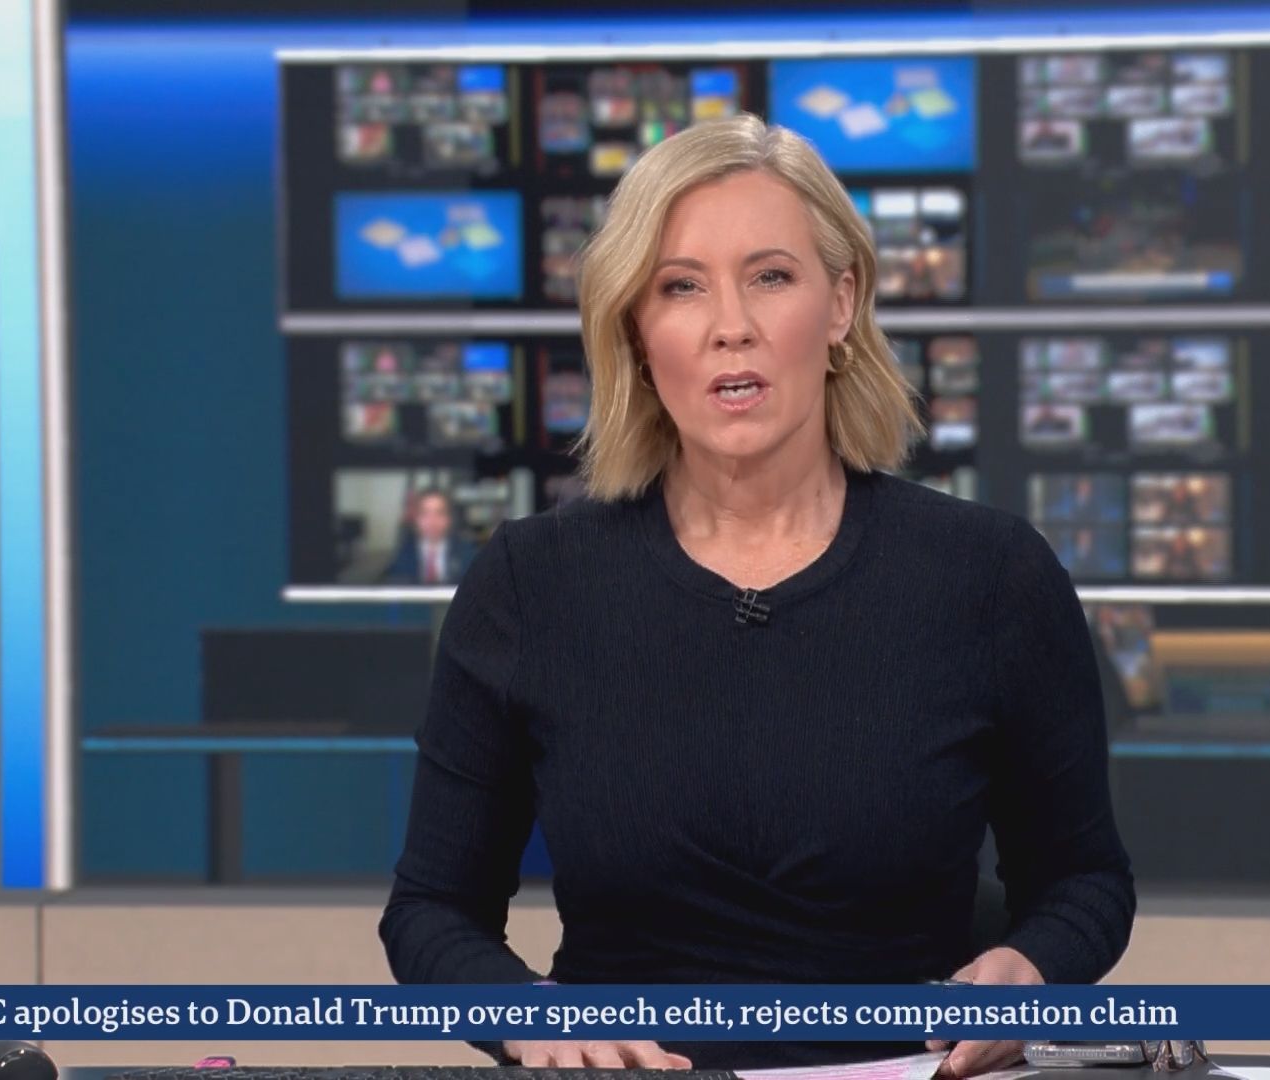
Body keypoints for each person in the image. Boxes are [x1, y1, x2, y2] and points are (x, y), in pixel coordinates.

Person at [379, 115, 1135, 1075]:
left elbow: (1084, 882)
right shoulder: (533, 583)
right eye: (681, 286)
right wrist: (533, 1019)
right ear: (637, 330)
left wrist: (1032, 972)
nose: (729, 324)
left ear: (840, 303)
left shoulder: (990, 574)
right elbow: (431, 911)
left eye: (770, 277)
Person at [384, 487, 469, 585]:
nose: (432, 522)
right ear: (416, 519)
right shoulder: (403, 555)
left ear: (449, 519)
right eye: (424, 513)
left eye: (439, 513)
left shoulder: (466, 554)